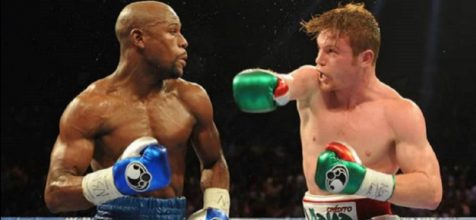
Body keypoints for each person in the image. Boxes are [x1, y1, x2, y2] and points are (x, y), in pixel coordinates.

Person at [232, 3, 442, 219]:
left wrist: (364, 182)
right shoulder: (312, 85)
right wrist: (275, 87)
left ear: (365, 58)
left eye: (331, 51)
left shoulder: (399, 112)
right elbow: (289, 82)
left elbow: (431, 192)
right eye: (319, 49)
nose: (319, 60)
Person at [44, 1, 230, 219]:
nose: (184, 42)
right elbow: (55, 194)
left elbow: (213, 162)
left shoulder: (192, 98)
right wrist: (118, 181)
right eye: (173, 32)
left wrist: (217, 208)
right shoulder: (90, 107)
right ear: (139, 39)